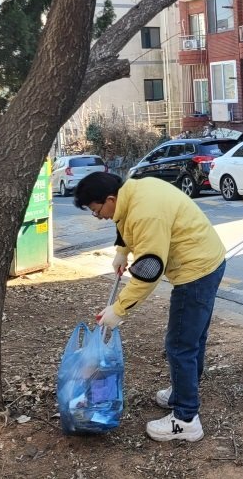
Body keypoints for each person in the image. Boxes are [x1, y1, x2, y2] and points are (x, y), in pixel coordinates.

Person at [74, 171, 226, 443]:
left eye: (96, 210)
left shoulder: (145, 213)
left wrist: (119, 309)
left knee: (180, 344)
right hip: (206, 260)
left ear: (110, 199)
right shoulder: (133, 192)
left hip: (196, 271)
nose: (98, 216)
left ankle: (186, 419)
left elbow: (149, 271)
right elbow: (125, 224)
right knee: (192, 339)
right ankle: (183, 393)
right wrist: (122, 251)